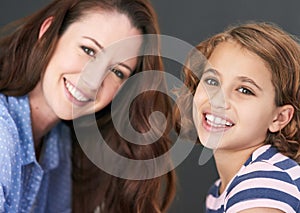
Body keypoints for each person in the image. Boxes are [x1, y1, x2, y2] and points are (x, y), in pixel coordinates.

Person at [0, 0, 176, 212]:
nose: (93, 81)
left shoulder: (59, 144)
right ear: (48, 33)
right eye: (88, 50)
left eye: (117, 71)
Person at [175, 22, 300, 212]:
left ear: (279, 118)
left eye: (244, 90)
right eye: (211, 81)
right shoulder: (223, 189)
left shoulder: (264, 185)